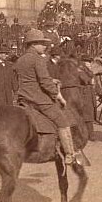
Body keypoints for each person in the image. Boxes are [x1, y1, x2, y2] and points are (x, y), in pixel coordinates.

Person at [14, 29, 80, 165]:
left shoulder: (20, 60)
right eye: (42, 43)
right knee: (62, 121)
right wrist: (58, 96)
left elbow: (30, 78)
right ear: (33, 44)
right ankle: (69, 154)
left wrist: (51, 80)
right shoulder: (38, 59)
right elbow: (44, 82)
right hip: (38, 99)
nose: (45, 46)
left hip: (23, 98)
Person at [74, 54, 97, 141]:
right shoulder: (79, 70)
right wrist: (90, 80)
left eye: (90, 62)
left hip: (89, 94)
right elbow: (84, 79)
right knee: (86, 115)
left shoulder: (88, 70)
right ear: (83, 62)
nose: (89, 63)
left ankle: (89, 134)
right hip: (83, 94)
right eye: (88, 62)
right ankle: (89, 135)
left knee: (89, 114)